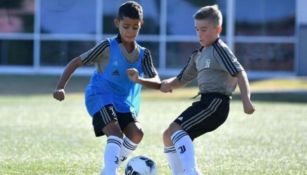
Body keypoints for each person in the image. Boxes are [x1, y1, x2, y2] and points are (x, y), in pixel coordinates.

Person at [52, 1, 160, 175]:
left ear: (141, 25)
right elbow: (76, 61)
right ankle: (110, 171)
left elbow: (157, 82)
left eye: (135, 27)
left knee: (137, 133)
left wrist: (138, 79)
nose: (130, 32)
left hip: (123, 102)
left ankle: (112, 165)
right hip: (100, 95)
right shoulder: (107, 46)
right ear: (117, 23)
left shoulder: (144, 54)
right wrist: (60, 87)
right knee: (115, 133)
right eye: (126, 26)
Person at [160, 4, 255, 175]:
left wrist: (246, 101)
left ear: (218, 29)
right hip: (204, 103)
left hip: (216, 104)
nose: (199, 34)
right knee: (168, 136)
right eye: (197, 29)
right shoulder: (198, 54)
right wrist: (168, 84)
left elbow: (240, 73)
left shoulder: (220, 50)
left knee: (176, 130)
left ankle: (191, 172)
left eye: (204, 29)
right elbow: (182, 79)